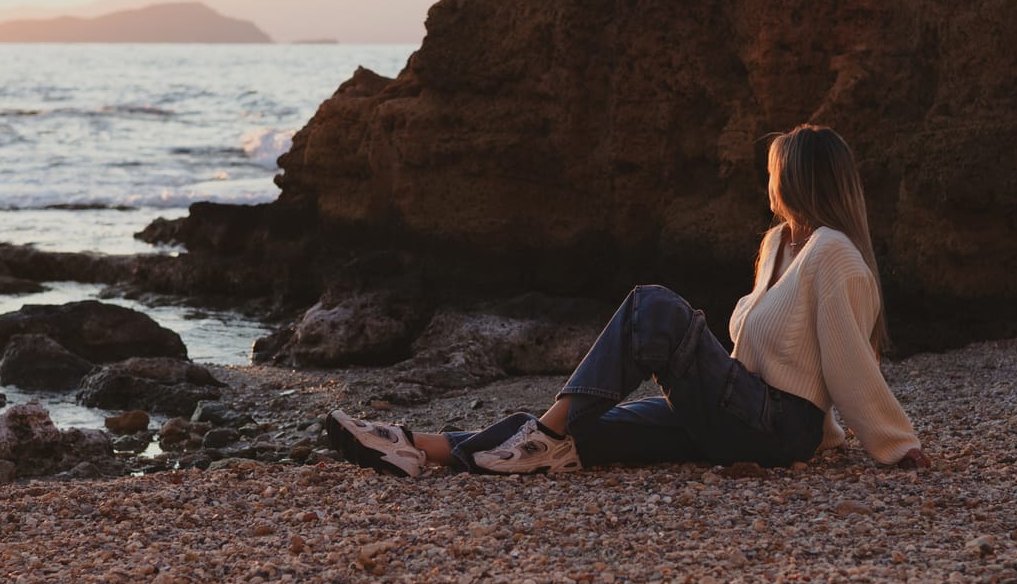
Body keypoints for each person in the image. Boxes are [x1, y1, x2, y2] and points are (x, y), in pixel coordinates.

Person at [324, 124, 928, 476]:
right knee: (592, 427)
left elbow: (847, 361)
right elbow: (779, 353)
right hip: (737, 416)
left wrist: (894, 448)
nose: (767, 181)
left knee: (654, 308)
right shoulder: (779, 245)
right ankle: (412, 447)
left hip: (770, 429)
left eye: (774, 171)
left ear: (795, 177)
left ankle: (543, 438)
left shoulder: (833, 253)